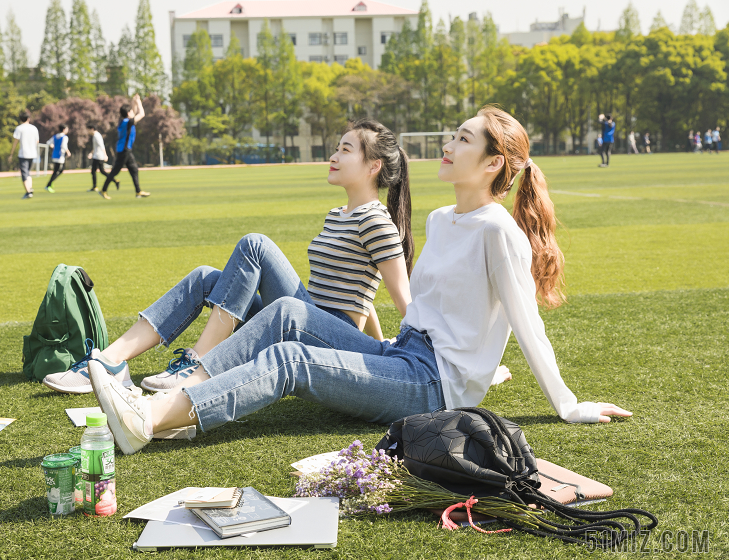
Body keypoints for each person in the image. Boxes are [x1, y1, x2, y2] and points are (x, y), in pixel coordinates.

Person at [86, 106, 631, 456]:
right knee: (285, 315)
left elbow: (526, 323)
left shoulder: (499, 233)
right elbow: (421, 309)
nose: (449, 144)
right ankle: (185, 391)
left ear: (493, 163)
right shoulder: (442, 220)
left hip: (433, 386)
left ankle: (151, 419)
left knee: (288, 360)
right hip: (406, 355)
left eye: (464, 139)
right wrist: (388, 345)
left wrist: (567, 403)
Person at [43, 118, 425, 394]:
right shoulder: (339, 214)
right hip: (314, 320)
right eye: (337, 147)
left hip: (328, 334)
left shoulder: (376, 221)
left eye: (346, 149)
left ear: (374, 166)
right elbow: (365, 295)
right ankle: (111, 361)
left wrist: (394, 358)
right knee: (207, 277)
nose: (334, 155)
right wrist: (378, 341)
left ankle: (199, 363)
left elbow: (402, 300)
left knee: (255, 244)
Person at [100, 94, 149, 199]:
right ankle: (103, 190)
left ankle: (138, 191)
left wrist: (134, 102)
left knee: (134, 169)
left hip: (125, 150)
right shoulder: (128, 122)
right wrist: (139, 101)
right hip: (124, 150)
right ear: (128, 113)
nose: (132, 112)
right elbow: (141, 114)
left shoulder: (123, 121)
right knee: (115, 172)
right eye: (130, 111)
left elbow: (134, 113)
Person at [7, 110, 40, 199]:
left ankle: (28, 191)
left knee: (24, 173)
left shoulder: (19, 128)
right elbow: (37, 141)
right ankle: (30, 188)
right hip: (33, 153)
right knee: (28, 172)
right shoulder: (34, 128)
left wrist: (11, 153)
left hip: (23, 154)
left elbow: (15, 142)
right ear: (28, 119)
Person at [87, 123, 118, 193]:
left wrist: (105, 155)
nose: (88, 132)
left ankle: (114, 180)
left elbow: (102, 146)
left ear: (92, 129)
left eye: (88, 130)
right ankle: (95, 186)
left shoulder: (97, 136)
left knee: (101, 171)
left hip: (98, 156)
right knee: (96, 171)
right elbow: (95, 147)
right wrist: (91, 153)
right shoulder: (95, 135)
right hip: (96, 156)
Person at [45, 124, 71, 192]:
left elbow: (48, 142)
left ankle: (50, 182)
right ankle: (49, 184)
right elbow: (64, 146)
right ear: (64, 129)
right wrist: (68, 152)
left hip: (54, 155)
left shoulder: (55, 136)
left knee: (58, 170)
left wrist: (51, 145)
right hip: (60, 156)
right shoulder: (65, 137)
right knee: (58, 171)